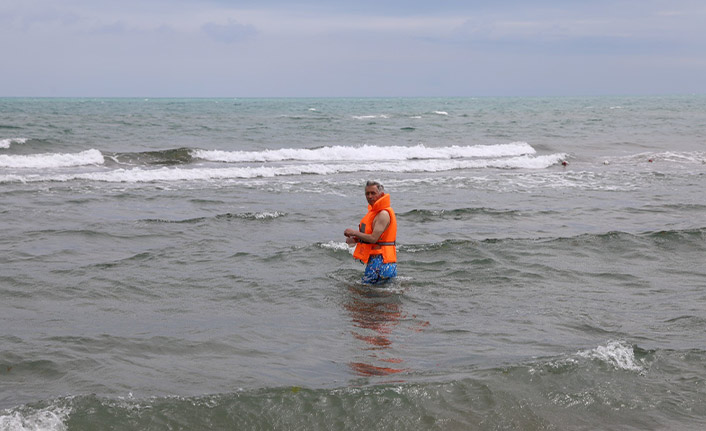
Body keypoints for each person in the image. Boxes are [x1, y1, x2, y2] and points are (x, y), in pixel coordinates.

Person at [344, 180, 397, 284]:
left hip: (381, 261)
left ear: (381, 195)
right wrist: (355, 239)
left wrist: (354, 233)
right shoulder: (374, 213)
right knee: (377, 295)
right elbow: (370, 237)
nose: (370, 196)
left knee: (364, 293)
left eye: (373, 193)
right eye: (367, 194)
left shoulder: (383, 214)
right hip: (379, 261)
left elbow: (374, 238)